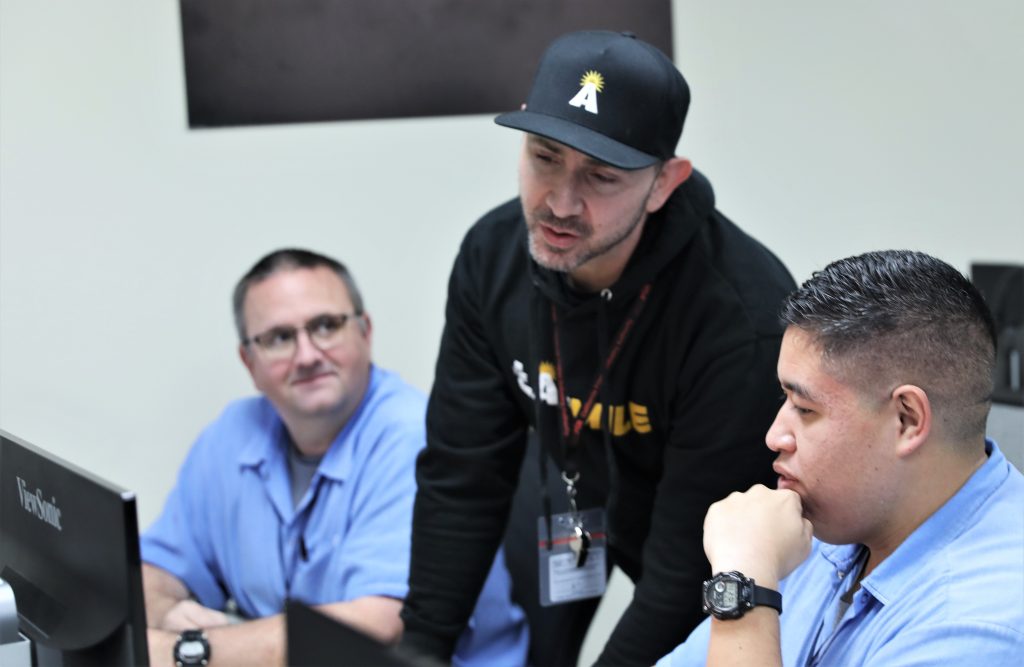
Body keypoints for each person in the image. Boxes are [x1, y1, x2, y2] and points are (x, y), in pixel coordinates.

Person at [399, 30, 796, 666]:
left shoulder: (739, 321)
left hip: (695, 530)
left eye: (602, 176)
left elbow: (683, 574)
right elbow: (462, 473)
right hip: (570, 490)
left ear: (664, 183)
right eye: (544, 157)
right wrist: (419, 648)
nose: (560, 202)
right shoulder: (491, 257)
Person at [141, 249, 528, 667]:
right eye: (279, 338)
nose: (307, 356)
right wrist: (166, 613)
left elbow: (375, 628)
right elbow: (153, 570)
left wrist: (188, 651)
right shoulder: (231, 435)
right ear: (249, 362)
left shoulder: (415, 437)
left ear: (365, 331)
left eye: (325, 326)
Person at [657, 250, 1024, 666]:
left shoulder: (979, 624)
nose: (775, 436)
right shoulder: (831, 526)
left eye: (805, 408)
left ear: (906, 420)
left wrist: (743, 584)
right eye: (784, 398)